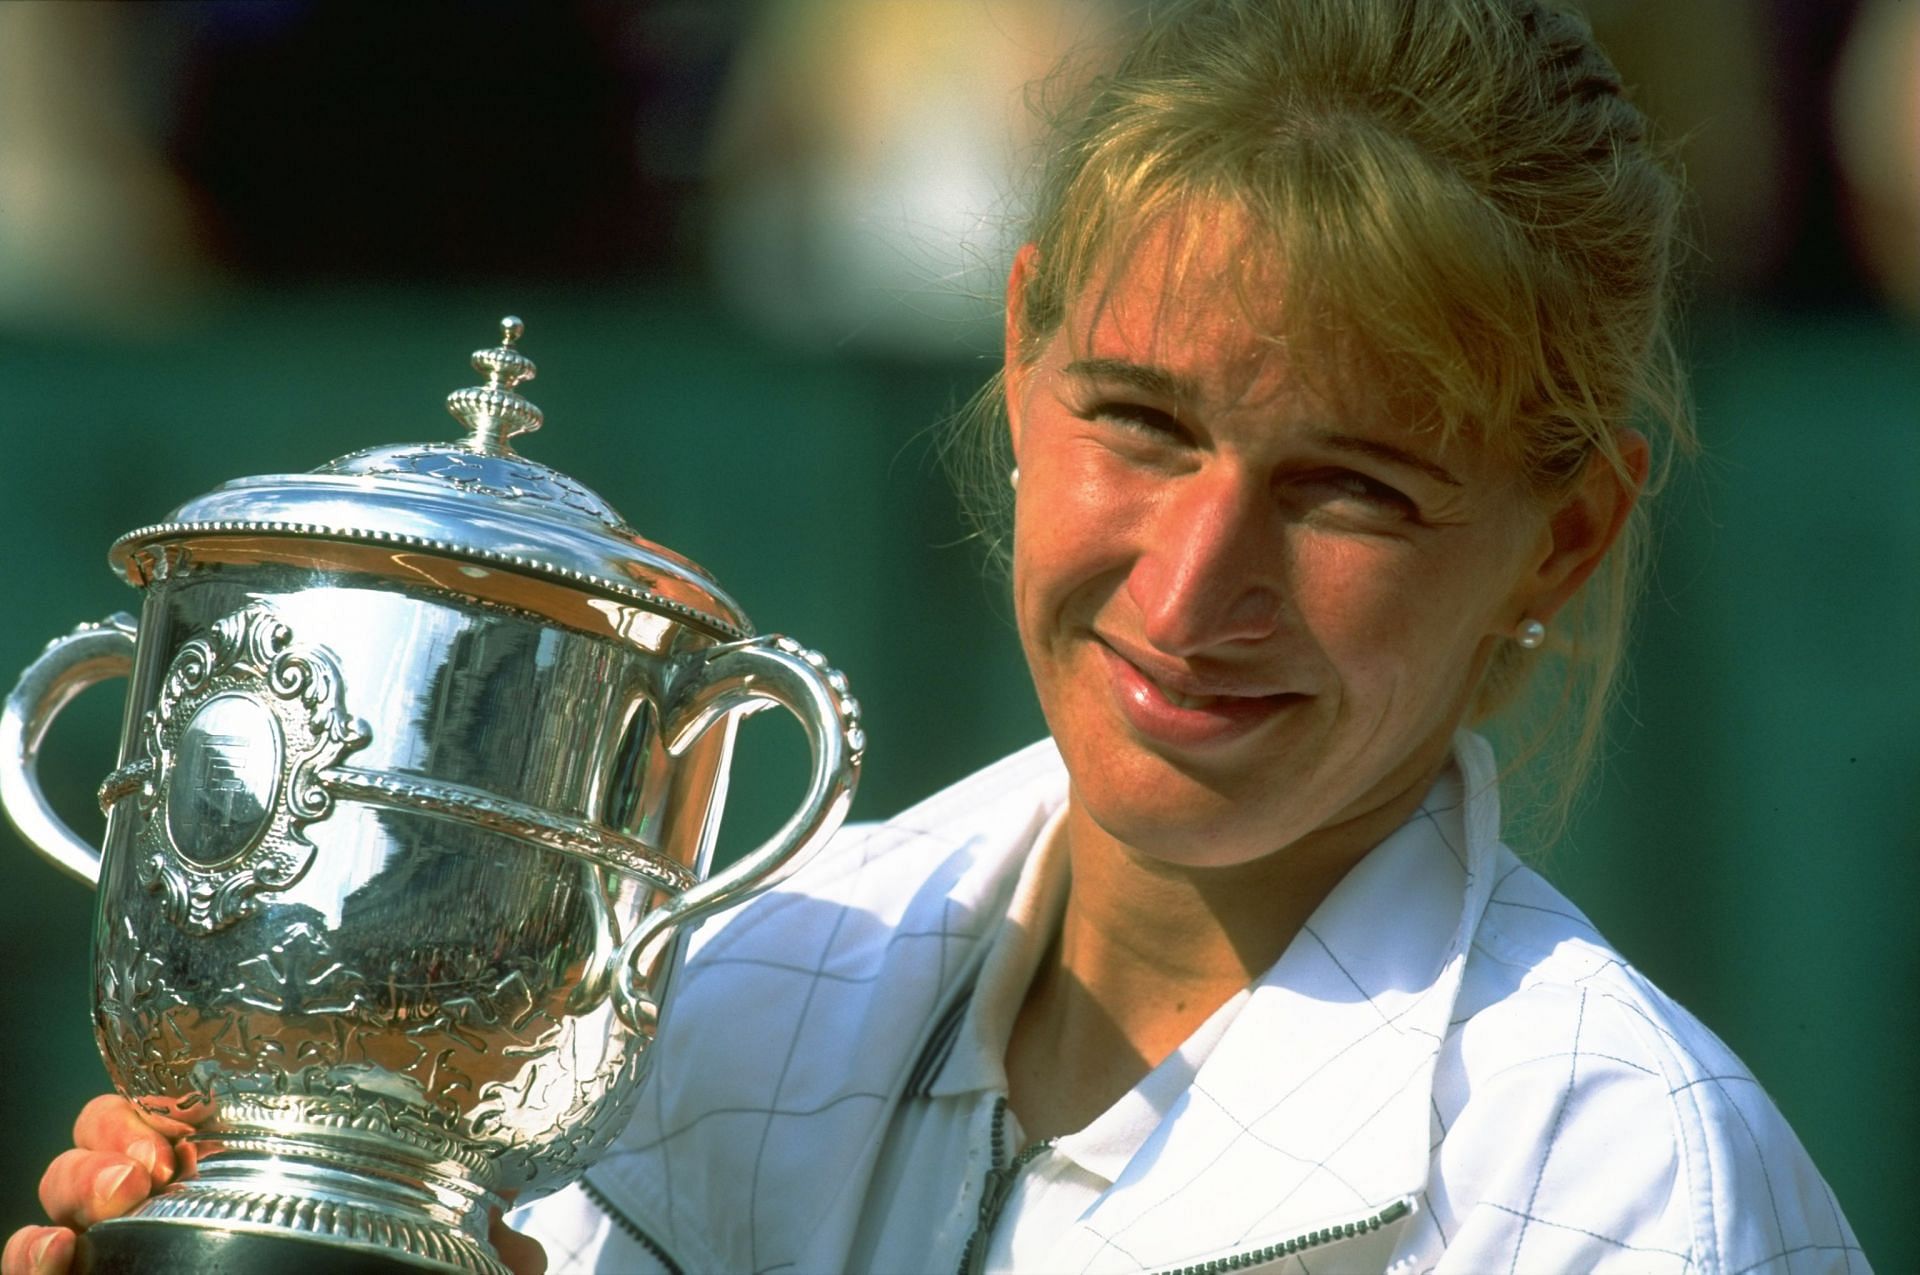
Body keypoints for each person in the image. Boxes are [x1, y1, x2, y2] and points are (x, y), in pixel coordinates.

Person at [5, 1, 1865, 1272]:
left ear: (1570, 530)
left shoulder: (1612, 1180)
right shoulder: (687, 1007)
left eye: (1351, 487)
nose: (1194, 583)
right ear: (1020, 352)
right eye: (1141, 420)